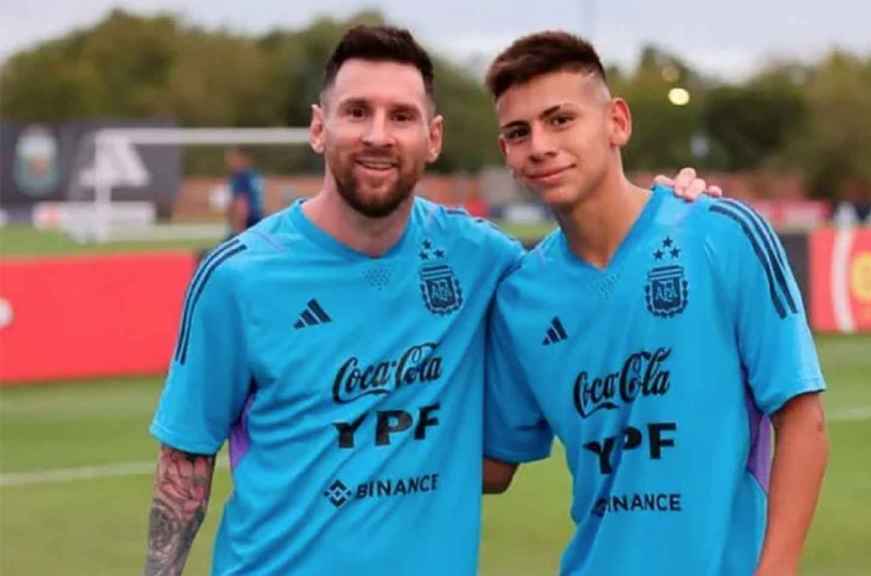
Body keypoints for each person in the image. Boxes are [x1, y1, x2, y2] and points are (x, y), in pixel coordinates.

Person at [143, 25, 715, 576]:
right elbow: (183, 471)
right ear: (319, 128)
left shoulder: (484, 261)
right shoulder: (236, 278)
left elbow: (588, 273)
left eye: (401, 116)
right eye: (356, 111)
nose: (377, 135)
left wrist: (666, 208)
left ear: (433, 137)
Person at [481, 31, 828, 576]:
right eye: (519, 132)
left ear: (616, 121)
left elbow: (804, 420)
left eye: (561, 119)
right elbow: (493, 467)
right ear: (508, 155)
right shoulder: (520, 298)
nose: (541, 145)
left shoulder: (722, 234)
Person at [224, 146, 264, 235]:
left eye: (232, 158)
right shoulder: (255, 174)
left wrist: (239, 228)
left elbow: (242, 205)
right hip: (258, 218)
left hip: (247, 222)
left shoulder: (240, 176)